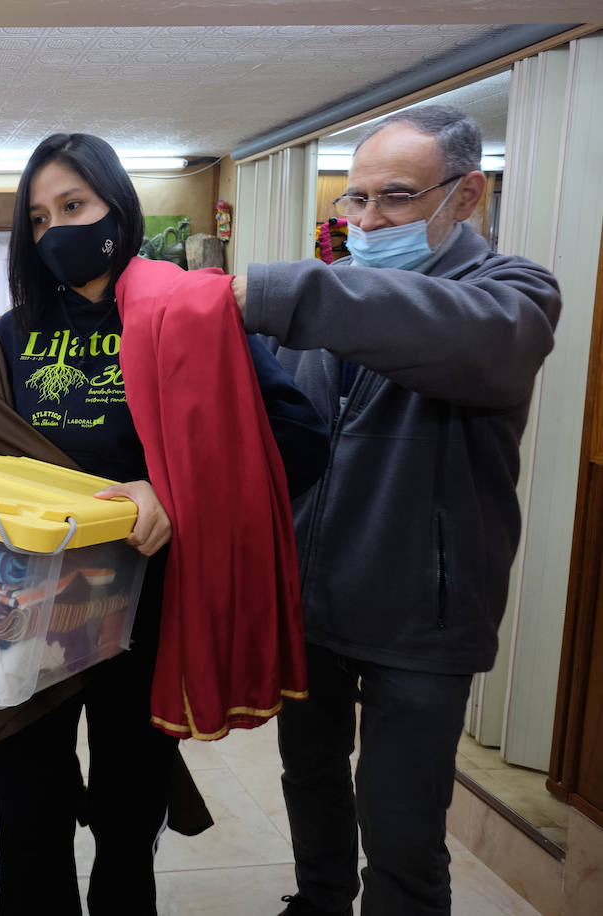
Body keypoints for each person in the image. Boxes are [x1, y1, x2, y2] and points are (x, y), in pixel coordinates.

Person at [0, 132, 329, 915]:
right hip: (30, 613)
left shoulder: (192, 312)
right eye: (37, 217)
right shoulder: (14, 331)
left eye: (73, 206)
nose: (55, 229)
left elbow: (295, 442)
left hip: (149, 616)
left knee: (129, 820)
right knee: (28, 822)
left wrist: (173, 490)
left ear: (116, 208)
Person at [230, 105, 561, 916]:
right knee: (309, 780)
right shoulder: (333, 303)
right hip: (313, 605)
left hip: (422, 620)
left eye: (396, 199)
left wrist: (274, 288)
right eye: (355, 201)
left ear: (468, 196)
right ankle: (318, 901)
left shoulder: (513, 297)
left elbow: (455, 337)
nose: (369, 221)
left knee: (402, 825)